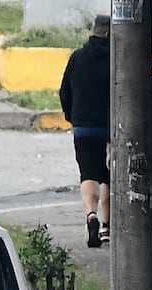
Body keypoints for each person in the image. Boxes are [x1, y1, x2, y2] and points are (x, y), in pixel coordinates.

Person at [59, 14, 112, 248]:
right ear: (110, 33)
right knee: (108, 176)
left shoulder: (77, 58)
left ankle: (91, 214)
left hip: (83, 127)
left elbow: (64, 91)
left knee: (88, 174)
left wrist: (72, 116)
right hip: (111, 128)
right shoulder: (116, 59)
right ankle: (106, 227)